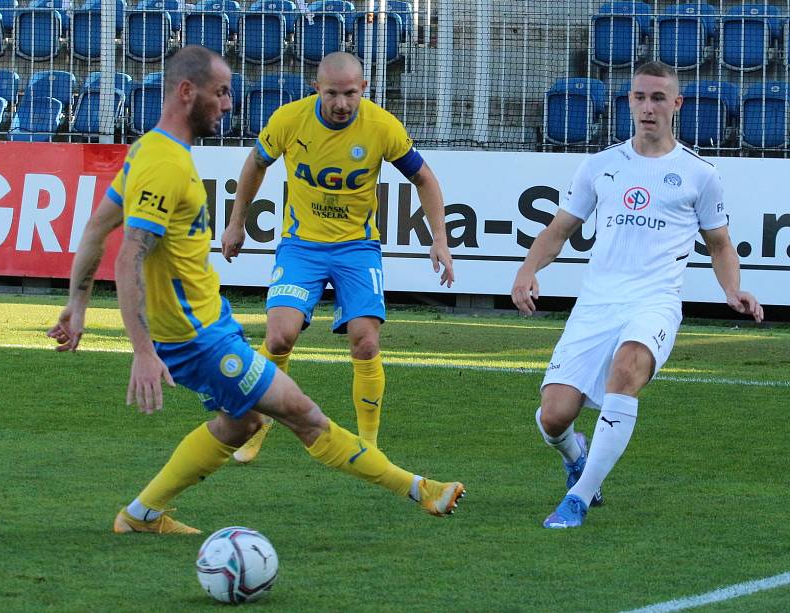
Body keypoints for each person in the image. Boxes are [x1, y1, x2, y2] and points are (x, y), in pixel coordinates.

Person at [47, 46, 464, 535]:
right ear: (187, 92)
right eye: (221, 92)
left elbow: (98, 227)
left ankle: (141, 515)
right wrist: (141, 350)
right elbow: (128, 256)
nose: (228, 104)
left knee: (242, 422)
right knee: (306, 417)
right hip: (198, 337)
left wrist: (77, 306)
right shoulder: (165, 165)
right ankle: (421, 490)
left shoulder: (148, 150)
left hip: (212, 321)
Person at [510, 61, 763, 529]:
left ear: (677, 104)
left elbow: (720, 244)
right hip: (596, 304)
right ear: (629, 101)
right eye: (640, 97)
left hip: (655, 303)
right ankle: (576, 455)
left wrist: (733, 289)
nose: (648, 107)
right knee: (552, 417)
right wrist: (527, 271)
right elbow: (559, 230)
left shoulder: (699, 174)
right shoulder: (601, 166)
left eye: (658, 98)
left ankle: (579, 499)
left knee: (627, 368)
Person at [222, 51, 454, 463]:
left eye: (350, 94)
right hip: (300, 247)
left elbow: (424, 177)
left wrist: (440, 239)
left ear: (364, 89)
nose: (342, 103)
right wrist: (236, 223)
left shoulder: (382, 127)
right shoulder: (289, 120)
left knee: (365, 343)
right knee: (279, 337)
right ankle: (258, 425)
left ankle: (370, 447)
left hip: (357, 249)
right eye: (332, 94)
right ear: (317, 89)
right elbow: (255, 165)